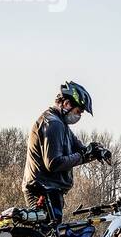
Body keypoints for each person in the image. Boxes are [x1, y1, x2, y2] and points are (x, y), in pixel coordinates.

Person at [22, 80, 110, 222]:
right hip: (42, 188)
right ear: (67, 104)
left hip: (49, 188)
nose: (79, 116)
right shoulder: (53, 124)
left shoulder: (61, 124)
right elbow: (54, 163)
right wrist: (83, 155)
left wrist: (95, 152)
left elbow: (80, 149)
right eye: (78, 111)